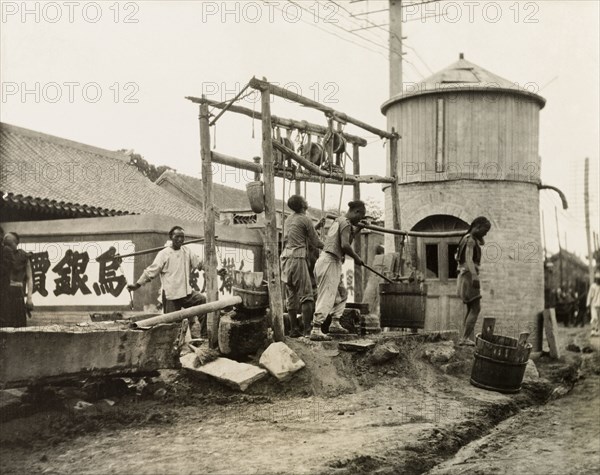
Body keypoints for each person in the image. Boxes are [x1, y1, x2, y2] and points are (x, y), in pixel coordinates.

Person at [128, 226, 206, 334]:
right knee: (172, 324)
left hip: (186, 293)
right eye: (177, 236)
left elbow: (200, 264)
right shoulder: (164, 254)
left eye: (182, 237)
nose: (180, 239)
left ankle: (205, 335)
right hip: (171, 295)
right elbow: (151, 271)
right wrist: (137, 285)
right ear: (171, 237)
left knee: (202, 301)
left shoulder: (187, 251)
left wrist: (217, 270)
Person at [311, 200, 366, 341]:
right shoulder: (346, 223)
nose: (360, 220)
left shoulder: (340, 221)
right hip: (329, 261)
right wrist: (356, 258)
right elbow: (345, 245)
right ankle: (316, 328)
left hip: (329, 261)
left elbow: (347, 236)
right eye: (361, 217)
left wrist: (359, 229)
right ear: (356, 212)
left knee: (341, 293)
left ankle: (335, 323)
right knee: (327, 295)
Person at [280, 195, 324, 338]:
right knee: (307, 296)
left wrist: (316, 226)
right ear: (302, 205)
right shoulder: (305, 219)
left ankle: (294, 330)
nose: (307, 200)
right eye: (305, 200)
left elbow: (298, 234)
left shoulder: (288, 219)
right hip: (298, 258)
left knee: (291, 294)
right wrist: (332, 247)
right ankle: (306, 330)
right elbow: (316, 242)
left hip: (286, 259)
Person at [455, 216, 492, 346]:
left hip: (464, 275)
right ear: (477, 226)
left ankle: (463, 338)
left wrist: (479, 235)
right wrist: (475, 276)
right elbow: (469, 259)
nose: (486, 233)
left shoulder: (467, 238)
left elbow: (482, 242)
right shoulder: (470, 240)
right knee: (476, 308)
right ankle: (464, 338)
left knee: (472, 307)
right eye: (485, 230)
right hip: (469, 276)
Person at [1, 232, 34, 328]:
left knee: (19, 325)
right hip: (3, 293)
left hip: (18, 293)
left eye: (9, 243)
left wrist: (29, 298)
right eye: (4, 243)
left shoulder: (24, 256)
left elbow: (29, 278)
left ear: (16, 243)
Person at [587, 272, 600, 337]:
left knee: (598, 318)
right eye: (597, 279)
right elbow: (590, 295)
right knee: (594, 317)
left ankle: (597, 330)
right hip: (594, 304)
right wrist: (588, 303)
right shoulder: (593, 286)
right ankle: (593, 330)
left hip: (598, 304)